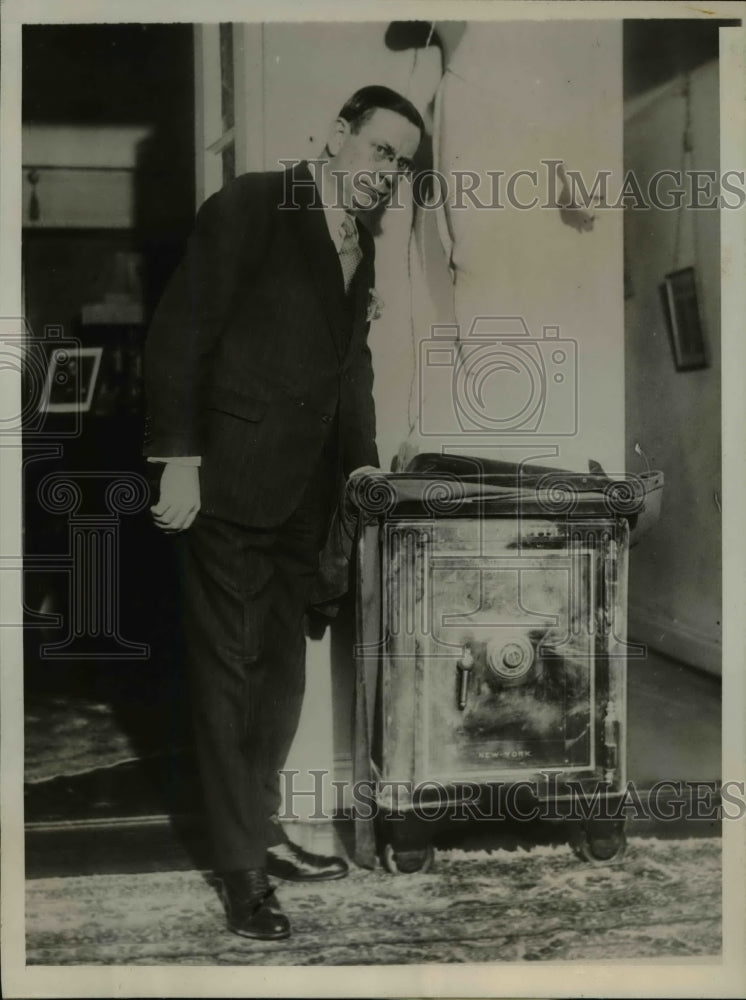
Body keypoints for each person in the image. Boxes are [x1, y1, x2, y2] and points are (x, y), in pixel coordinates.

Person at [143, 85, 423, 940]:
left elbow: (349, 369)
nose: (388, 175)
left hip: (305, 499)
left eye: (403, 165)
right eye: (380, 152)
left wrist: (364, 468)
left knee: (279, 679)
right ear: (336, 136)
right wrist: (179, 461)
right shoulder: (257, 201)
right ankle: (241, 875)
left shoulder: (359, 244)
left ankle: (257, 830)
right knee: (229, 678)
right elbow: (181, 332)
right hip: (226, 485)